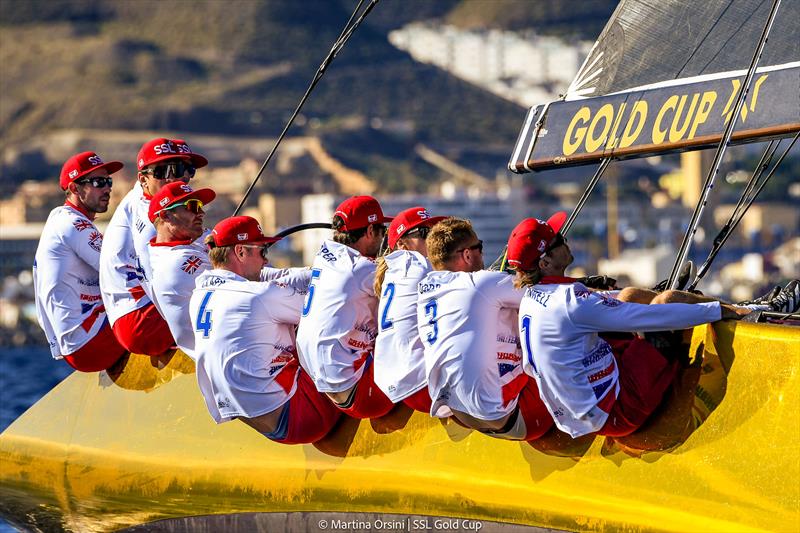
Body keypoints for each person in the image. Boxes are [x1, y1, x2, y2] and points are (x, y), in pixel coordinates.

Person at [505, 217, 764, 440]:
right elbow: (650, 317)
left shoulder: (532, 297)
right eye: (558, 240)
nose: (565, 240)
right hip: (618, 411)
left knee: (627, 294)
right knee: (668, 302)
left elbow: (607, 302)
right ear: (545, 263)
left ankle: (703, 301)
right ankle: (745, 310)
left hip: (582, 411)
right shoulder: (569, 303)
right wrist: (720, 311)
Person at [190, 216, 341, 444]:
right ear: (240, 252)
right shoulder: (258, 296)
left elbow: (277, 279)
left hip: (252, 416)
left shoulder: (200, 293)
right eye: (262, 251)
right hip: (300, 418)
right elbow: (329, 308)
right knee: (345, 323)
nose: (265, 260)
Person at [417, 218, 553, 441]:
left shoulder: (426, 288)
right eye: (479, 247)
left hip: (459, 413)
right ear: (467, 255)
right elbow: (552, 298)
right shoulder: (480, 283)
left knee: (498, 315)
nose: (482, 254)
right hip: (504, 417)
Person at [99, 137, 208, 356]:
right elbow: (156, 281)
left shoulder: (149, 198)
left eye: (186, 169)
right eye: (167, 170)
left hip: (133, 316)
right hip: (140, 323)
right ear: (143, 179)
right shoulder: (153, 218)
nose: (180, 178)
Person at [296, 195, 395, 419]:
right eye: (382, 230)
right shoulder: (362, 270)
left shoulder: (324, 257)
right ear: (370, 231)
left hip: (327, 387)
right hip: (362, 396)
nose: (384, 237)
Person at [33, 151, 127, 372]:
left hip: (81, 342)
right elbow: (118, 270)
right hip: (89, 344)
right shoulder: (72, 224)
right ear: (74, 189)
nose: (107, 188)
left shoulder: (65, 220)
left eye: (108, 181)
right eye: (98, 182)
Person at [373, 206, 446, 413]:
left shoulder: (393, 273)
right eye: (426, 233)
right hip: (424, 386)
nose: (434, 239)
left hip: (397, 386)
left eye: (435, 231)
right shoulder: (420, 266)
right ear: (402, 244)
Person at [147, 181, 216, 357]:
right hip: (221, 355)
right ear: (165, 215)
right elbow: (245, 279)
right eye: (192, 206)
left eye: (200, 206)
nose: (201, 212)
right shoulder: (176, 261)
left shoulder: (182, 248)